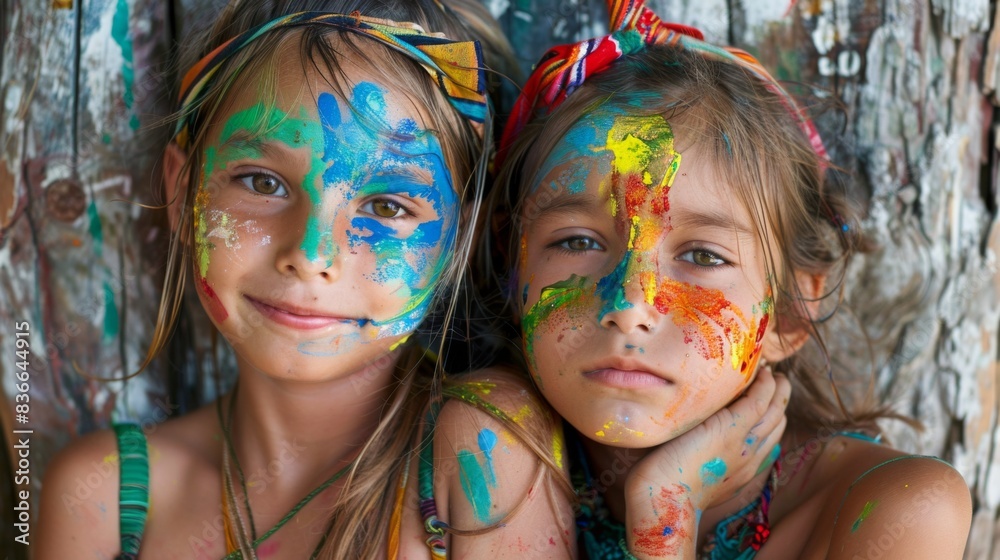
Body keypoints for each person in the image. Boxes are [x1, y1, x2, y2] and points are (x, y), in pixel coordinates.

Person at [36, 2, 571, 558]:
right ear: (182, 191)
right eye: (262, 183)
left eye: (387, 206)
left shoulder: (485, 454)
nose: (311, 254)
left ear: (462, 237)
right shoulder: (104, 499)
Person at [481, 0, 974, 558]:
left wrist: (664, 512)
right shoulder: (490, 451)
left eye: (703, 256)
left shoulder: (898, 509)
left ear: (788, 313)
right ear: (512, 268)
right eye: (577, 241)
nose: (630, 303)